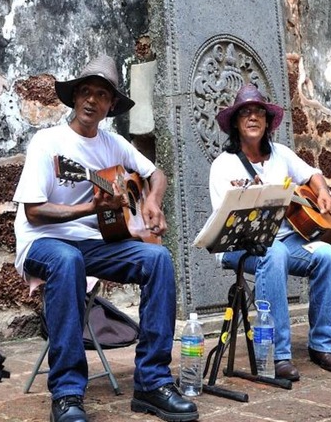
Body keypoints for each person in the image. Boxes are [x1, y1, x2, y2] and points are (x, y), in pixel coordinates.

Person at [14, 55, 198, 422]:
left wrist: (152, 201)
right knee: (68, 259)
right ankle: (67, 393)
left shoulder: (114, 144)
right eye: (85, 91)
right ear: (74, 97)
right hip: (43, 242)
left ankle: (152, 383)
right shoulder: (48, 143)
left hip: (94, 243)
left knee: (158, 259)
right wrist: (90, 208)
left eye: (101, 95)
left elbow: (157, 174)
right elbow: (34, 212)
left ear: (111, 106)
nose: (91, 100)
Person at [208, 84, 331, 380]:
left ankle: (322, 346)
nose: (253, 117)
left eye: (259, 112)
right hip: (238, 245)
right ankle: (277, 353)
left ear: (267, 121)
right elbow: (227, 222)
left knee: (327, 255)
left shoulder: (281, 154)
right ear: (236, 123)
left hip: (284, 239)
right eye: (245, 113)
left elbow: (312, 174)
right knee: (275, 253)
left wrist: (323, 192)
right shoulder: (223, 165)